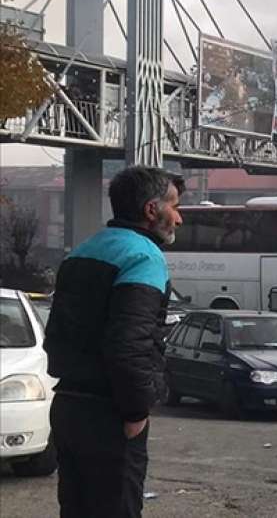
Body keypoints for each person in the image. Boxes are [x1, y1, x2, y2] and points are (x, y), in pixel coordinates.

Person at [44, 166, 185, 517]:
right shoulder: (144, 257)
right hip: (109, 413)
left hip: (68, 406)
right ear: (151, 210)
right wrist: (135, 411)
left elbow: (56, 334)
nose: (179, 218)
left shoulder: (81, 252)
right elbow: (131, 343)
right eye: (174, 206)